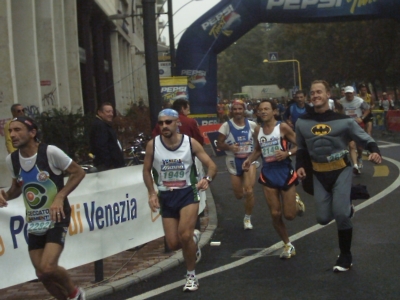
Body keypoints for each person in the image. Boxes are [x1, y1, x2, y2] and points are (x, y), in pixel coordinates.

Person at [296, 80, 382, 272]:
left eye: (319, 92)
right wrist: (300, 166)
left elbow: (364, 138)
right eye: (312, 93)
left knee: (341, 215)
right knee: (323, 218)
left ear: (328, 95)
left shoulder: (343, 120)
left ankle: (345, 257)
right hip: (318, 173)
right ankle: (348, 202)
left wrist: (374, 151)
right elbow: (301, 148)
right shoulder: (302, 122)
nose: (315, 95)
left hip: (341, 170)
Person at [0, 117, 86, 299]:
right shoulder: (12, 159)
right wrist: (4, 195)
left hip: (56, 216)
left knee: (48, 267)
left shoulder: (50, 152)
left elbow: (78, 172)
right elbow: (17, 187)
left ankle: (75, 293)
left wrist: (60, 196)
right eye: (10, 131)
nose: (13, 135)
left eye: (18, 130)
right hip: (35, 220)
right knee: (41, 273)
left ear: (32, 133)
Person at [143, 109, 217, 292]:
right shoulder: (153, 145)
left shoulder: (189, 143)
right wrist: (152, 193)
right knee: (174, 243)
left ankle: (191, 276)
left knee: (183, 234)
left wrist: (206, 179)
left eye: (168, 122)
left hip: (187, 193)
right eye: (161, 123)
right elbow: (146, 170)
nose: (164, 126)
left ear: (177, 123)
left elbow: (211, 165)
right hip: (166, 195)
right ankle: (193, 239)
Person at [242, 99, 305, 259]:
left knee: (289, 215)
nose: (263, 112)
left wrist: (287, 153)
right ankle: (288, 244)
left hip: (285, 172)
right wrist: (249, 159)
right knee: (275, 214)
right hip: (268, 174)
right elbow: (258, 149)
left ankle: (296, 201)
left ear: (274, 111)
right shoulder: (258, 130)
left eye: (266, 109)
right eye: (260, 109)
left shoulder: (282, 127)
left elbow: (301, 145)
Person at [216, 99, 258, 230]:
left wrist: (256, 153)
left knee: (249, 190)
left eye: (240, 109)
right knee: (239, 195)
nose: (237, 111)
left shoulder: (252, 125)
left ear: (244, 110)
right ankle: (246, 213)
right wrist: (229, 147)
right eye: (235, 109)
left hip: (249, 159)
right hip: (233, 160)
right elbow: (218, 144)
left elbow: (261, 140)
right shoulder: (226, 126)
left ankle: (247, 218)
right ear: (231, 111)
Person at [339, 86, 370, 174]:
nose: (349, 95)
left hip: (358, 124)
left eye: (350, 93)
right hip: (347, 125)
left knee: (359, 146)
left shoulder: (359, 101)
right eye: (347, 93)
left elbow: (368, 108)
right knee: (351, 145)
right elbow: (339, 111)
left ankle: (359, 156)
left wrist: (362, 117)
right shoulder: (342, 101)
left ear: (354, 93)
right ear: (345, 94)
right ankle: (355, 165)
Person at [89, 102, 125, 171]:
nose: (111, 114)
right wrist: (109, 164)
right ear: (100, 113)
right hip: (108, 167)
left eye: (112, 112)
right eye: (108, 112)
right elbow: (101, 147)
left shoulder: (103, 124)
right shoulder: (100, 126)